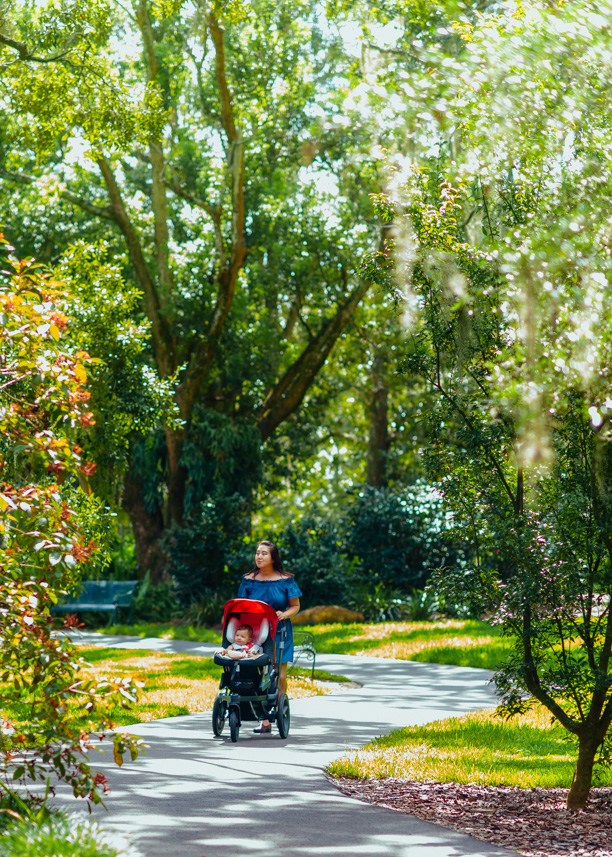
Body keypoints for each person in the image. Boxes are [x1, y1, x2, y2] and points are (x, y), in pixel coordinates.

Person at [238, 540, 301, 734]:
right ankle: (264, 720)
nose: (259, 556)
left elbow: (295, 606)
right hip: (256, 632)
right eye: (257, 553)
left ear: (273, 558)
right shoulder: (249, 579)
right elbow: (240, 606)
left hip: (280, 631)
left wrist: (284, 614)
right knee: (260, 675)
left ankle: (279, 707)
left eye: (264, 553)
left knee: (279, 675)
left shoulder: (285, 579)